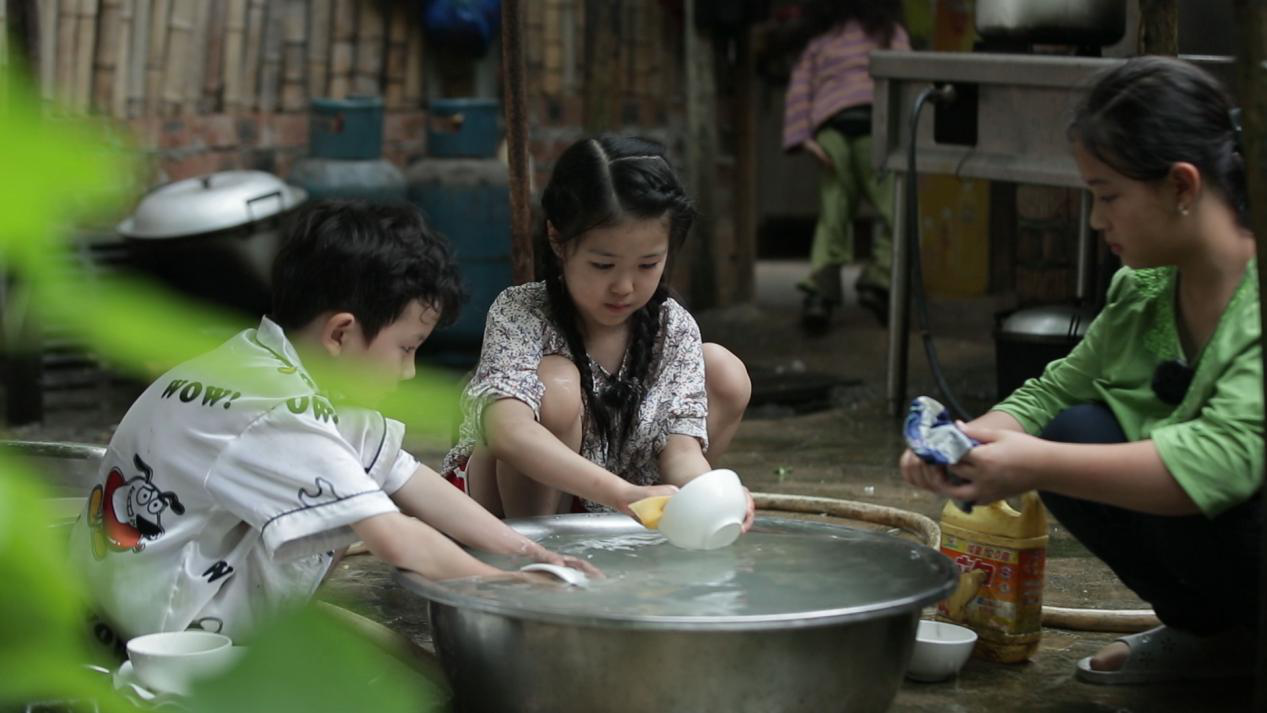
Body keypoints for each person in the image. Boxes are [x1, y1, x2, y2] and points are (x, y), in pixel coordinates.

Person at [69, 200, 593, 648]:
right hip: (157, 642)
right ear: (341, 333)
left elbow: (407, 477)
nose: (409, 372)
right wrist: (513, 588)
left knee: (357, 513)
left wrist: (528, 551)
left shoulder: (265, 365)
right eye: (406, 349)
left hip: (123, 597)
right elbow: (397, 538)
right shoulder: (279, 410)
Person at [900, 57, 1261, 685]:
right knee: (1077, 430)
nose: (1097, 221)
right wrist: (966, 443)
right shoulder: (1146, 288)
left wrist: (1030, 463)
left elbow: (1224, 458)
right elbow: (1056, 389)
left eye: (1108, 196)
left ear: (1182, 186)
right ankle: (1214, 635)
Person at [441, 135, 754, 523]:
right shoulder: (520, 312)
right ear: (558, 240)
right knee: (555, 383)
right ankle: (535, 554)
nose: (624, 286)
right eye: (603, 265)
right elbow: (508, 431)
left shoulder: (672, 327)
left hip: (619, 503)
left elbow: (682, 451)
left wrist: (710, 494)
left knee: (724, 368)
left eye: (647, 265)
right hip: (505, 507)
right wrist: (622, 493)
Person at [782, 0, 908, 331]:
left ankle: (819, 296)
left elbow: (800, 86)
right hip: (875, 130)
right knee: (897, 210)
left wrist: (803, 138)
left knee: (833, 213)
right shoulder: (889, 34)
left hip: (832, 131)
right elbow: (907, 83)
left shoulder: (822, 40)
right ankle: (878, 281)